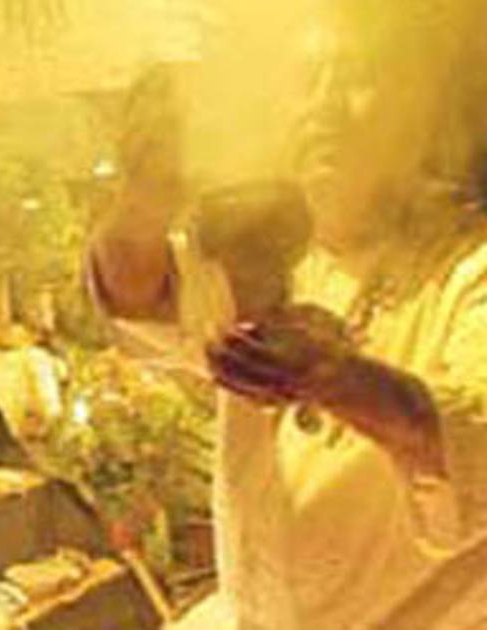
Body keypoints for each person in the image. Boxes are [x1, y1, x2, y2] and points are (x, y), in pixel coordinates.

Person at [86, 0, 487, 627]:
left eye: (356, 77)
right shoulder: (281, 247)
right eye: (309, 80)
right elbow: (138, 296)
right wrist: (146, 194)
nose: (322, 105)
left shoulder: (471, 266)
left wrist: (336, 377)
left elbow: (470, 443)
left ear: (430, 113)